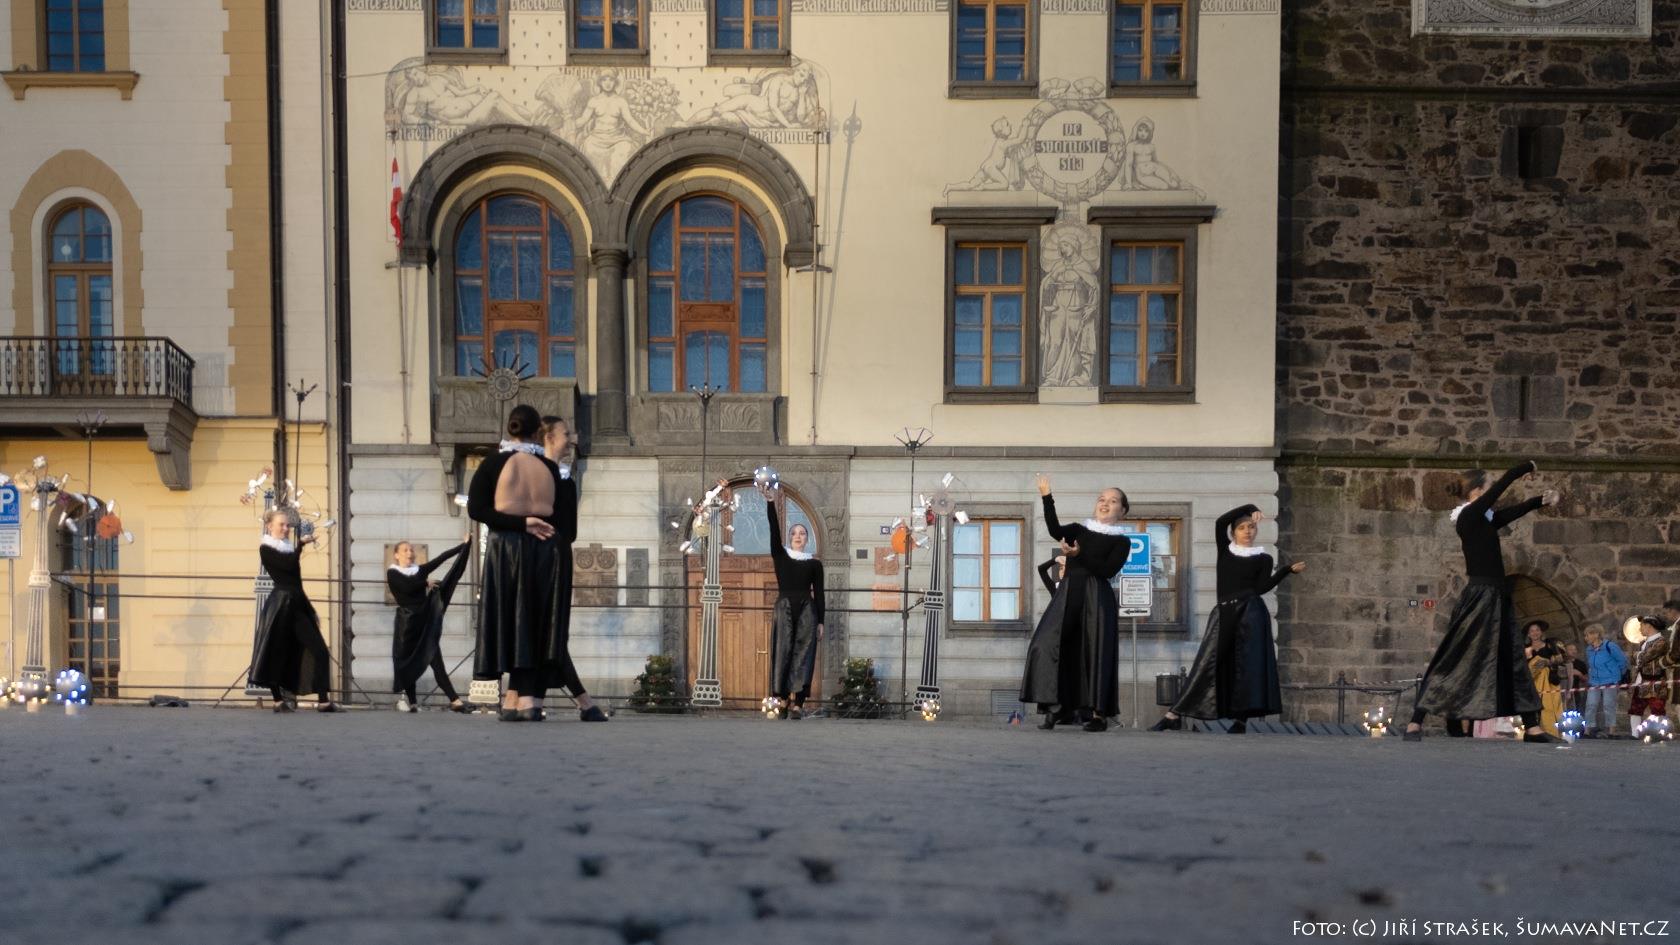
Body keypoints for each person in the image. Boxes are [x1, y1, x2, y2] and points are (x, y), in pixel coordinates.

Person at [1403, 462, 1559, 743]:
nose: (1489, 492)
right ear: (1476, 491)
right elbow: (1500, 489)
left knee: (1512, 657)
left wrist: (1541, 501)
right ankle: (1415, 722)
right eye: (1486, 487)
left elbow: (1512, 512)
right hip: (1480, 595)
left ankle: (1532, 726)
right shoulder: (1468, 516)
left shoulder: (1484, 518)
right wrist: (1524, 468)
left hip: (1498, 596)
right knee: (1453, 655)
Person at [1153, 505, 1305, 733]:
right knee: (1207, 662)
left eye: (1251, 527)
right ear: (1233, 532)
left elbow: (1261, 588)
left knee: (1248, 665)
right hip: (1225, 613)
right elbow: (1220, 522)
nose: (1247, 531)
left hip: (1252, 613)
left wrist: (1285, 571)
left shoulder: (1263, 558)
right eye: (1242, 528)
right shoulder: (1225, 550)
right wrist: (1250, 508)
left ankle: (1241, 721)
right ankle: (1173, 714)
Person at [467, 405, 565, 722]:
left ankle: (517, 700)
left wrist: (520, 524)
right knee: (534, 622)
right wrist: (533, 523)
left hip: (506, 547)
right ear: (537, 432)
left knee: (508, 620)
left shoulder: (494, 463)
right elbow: (558, 513)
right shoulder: (548, 467)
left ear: (511, 429)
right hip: (544, 547)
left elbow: (477, 509)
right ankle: (524, 700)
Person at [1019, 475, 1130, 732]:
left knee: (1096, 653)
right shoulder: (1079, 530)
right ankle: (1057, 706)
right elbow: (1054, 530)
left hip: (1097, 598)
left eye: (1113, 501)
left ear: (1122, 511)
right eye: (1102, 499)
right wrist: (1046, 496)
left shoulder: (1122, 541)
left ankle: (1099, 715)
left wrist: (1080, 554)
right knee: (1046, 644)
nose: (1105, 503)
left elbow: (1107, 570)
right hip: (1068, 592)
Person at [739, 479, 825, 720]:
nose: (798, 536)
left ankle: (798, 703)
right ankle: (783, 700)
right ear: (789, 537)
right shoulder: (780, 555)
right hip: (784, 606)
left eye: (802, 533)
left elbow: (819, 593)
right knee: (783, 652)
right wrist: (770, 503)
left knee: (804, 654)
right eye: (794, 533)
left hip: (807, 610)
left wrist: (821, 621)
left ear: (807, 539)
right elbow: (773, 531)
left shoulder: (814, 564)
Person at [540, 415, 607, 722]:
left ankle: (532, 699)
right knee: (549, 632)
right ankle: (583, 701)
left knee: (549, 632)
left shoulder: (561, 476)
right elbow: (567, 529)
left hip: (553, 557)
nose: (571, 438)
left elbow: (570, 530)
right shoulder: (544, 474)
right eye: (565, 433)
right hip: (546, 560)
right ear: (548, 437)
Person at [250, 508, 340, 713]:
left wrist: (309, 609)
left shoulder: (288, 548)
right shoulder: (266, 548)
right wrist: (300, 545)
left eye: (287, 525)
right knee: (275, 652)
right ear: (269, 526)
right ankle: (277, 701)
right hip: (280, 606)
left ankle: (324, 701)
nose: (286, 528)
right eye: (281, 524)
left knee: (320, 650)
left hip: (297, 604)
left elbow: (296, 583)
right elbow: (288, 566)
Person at [386, 537, 472, 713]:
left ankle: (455, 700)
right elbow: (407, 587)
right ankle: (413, 702)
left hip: (424, 621)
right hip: (406, 624)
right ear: (396, 555)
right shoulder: (393, 573)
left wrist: (464, 545)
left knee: (434, 657)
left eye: (411, 550)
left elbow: (441, 558)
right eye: (405, 550)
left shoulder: (420, 569)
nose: (410, 553)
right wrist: (425, 583)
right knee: (407, 661)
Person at [1581, 624, 1626, 738]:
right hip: (1594, 681)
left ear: (1596, 635)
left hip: (1610, 680)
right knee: (1590, 705)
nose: (1585, 638)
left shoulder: (1610, 646)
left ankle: (1611, 731)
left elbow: (1622, 661)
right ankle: (1587, 731)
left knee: (1608, 705)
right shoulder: (1589, 649)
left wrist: (1617, 676)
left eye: (1587, 635)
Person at [1629, 616, 1669, 734]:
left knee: (1657, 709)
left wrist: (1636, 655)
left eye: (1642, 625)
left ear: (1649, 626)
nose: (1640, 628)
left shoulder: (1661, 642)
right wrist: (1638, 656)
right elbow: (1634, 660)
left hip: (1656, 682)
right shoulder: (1643, 643)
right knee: (1635, 708)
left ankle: (1659, 733)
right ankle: (1635, 734)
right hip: (1641, 680)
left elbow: (1645, 656)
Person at [1524, 627, 1564, 738]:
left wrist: (1548, 662)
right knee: (1533, 706)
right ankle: (1534, 732)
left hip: (1549, 680)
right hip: (1532, 681)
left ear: (1541, 632)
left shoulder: (1550, 644)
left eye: (1537, 630)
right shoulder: (1525, 648)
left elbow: (1560, 659)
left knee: (1551, 705)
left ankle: (1552, 732)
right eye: (1532, 631)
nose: (1535, 633)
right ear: (1528, 634)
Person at [1564, 642, 1588, 715]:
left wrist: (1579, 674)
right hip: (1562, 692)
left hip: (1575, 692)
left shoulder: (1581, 664)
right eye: (1571, 649)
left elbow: (1586, 679)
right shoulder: (1561, 663)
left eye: (1575, 649)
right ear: (1565, 651)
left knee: (1576, 713)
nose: (1574, 651)